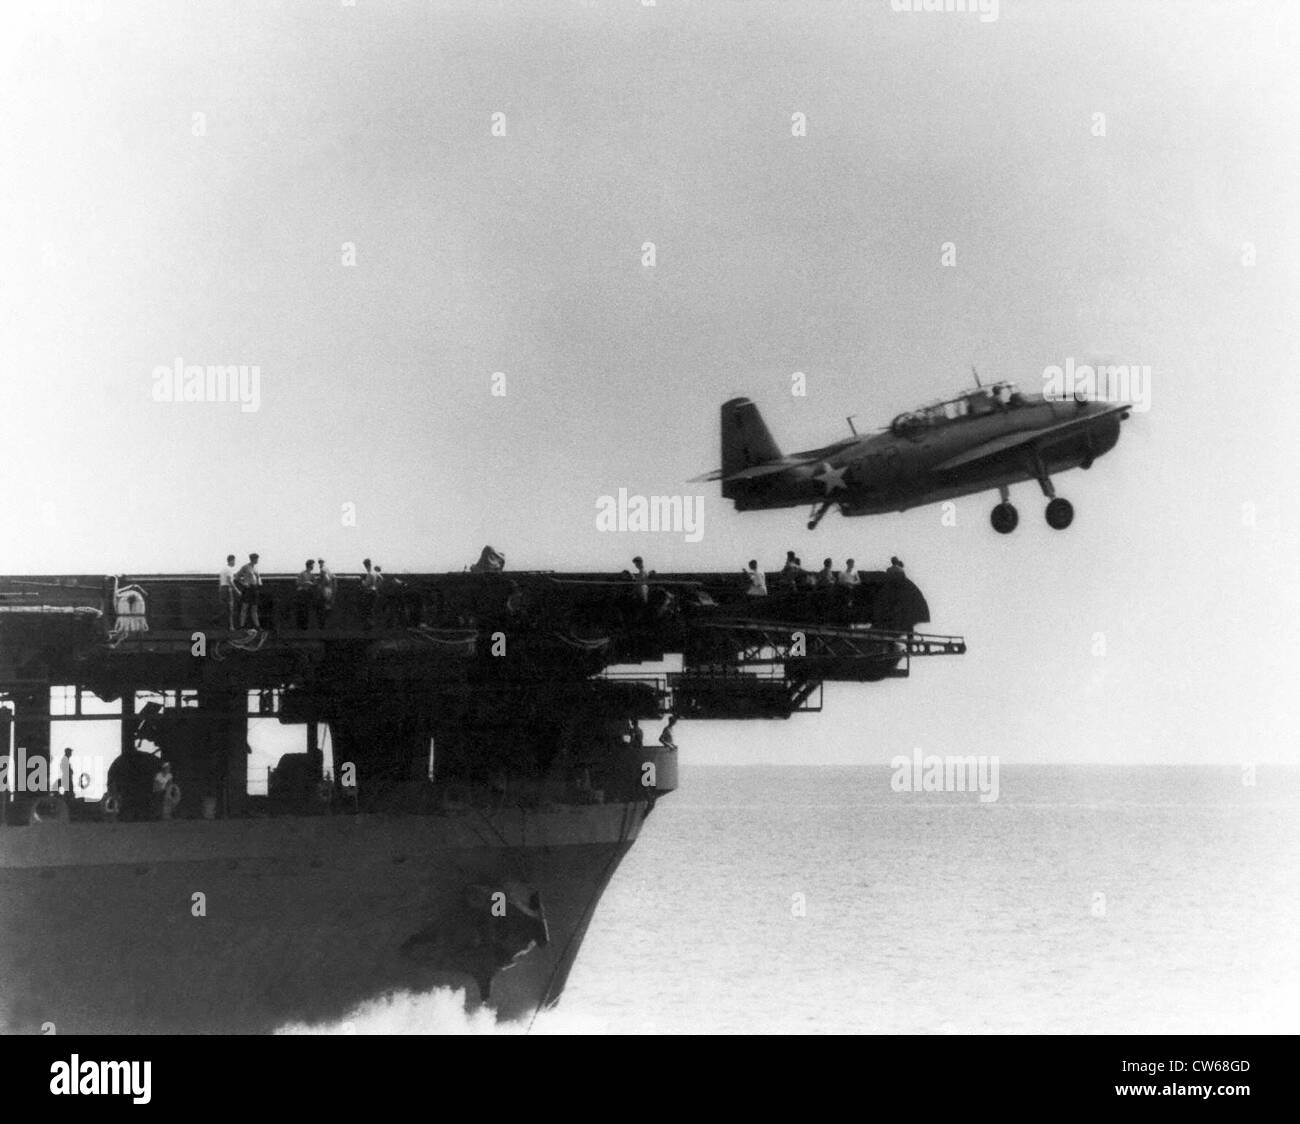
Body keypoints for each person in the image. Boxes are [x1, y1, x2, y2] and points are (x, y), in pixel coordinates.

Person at [235, 553, 262, 628]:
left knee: (254, 608)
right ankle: (242, 625)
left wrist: (259, 582)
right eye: (256, 559)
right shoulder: (245, 567)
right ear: (253, 559)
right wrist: (243, 583)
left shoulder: (255, 568)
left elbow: (258, 577)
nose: (257, 560)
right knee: (245, 607)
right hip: (248, 589)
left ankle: (257, 625)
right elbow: (237, 576)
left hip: (255, 588)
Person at [294, 560, 318, 629]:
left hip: (308, 594)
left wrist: (311, 583)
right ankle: (300, 626)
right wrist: (305, 583)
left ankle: (305, 626)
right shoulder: (302, 573)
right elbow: (297, 583)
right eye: (312, 565)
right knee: (301, 610)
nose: (313, 566)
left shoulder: (312, 575)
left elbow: (315, 583)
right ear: (309, 565)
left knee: (307, 611)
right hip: (302, 593)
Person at [218, 554, 237, 629]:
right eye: (234, 561)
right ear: (231, 560)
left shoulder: (223, 570)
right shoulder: (229, 570)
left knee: (223, 608)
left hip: (222, 589)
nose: (234, 563)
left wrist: (220, 591)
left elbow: (220, 582)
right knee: (230, 609)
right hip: (228, 590)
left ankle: (223, 625)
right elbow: (230, 581)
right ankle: (231, 626)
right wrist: (237, 591)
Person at [360, 558, 380, 627]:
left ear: (366, 565)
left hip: (370, 593)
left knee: (367, 608)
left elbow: (366, 584)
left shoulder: (369, 573)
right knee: (371, 608)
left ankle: (369, 624)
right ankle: (371, 623)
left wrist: (362, 581)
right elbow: (381, 579)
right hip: (375, 591)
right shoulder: (374, 572)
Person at [316, 560, 336, 628]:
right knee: (326, 606)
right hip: (329, 590)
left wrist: (321, 584)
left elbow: (327, 579)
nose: (319, 565)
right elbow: (332, 578)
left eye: (320, 563)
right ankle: (325, 624)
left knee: (322, 607)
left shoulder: (323, 570)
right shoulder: (327, 569)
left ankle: (322, 625)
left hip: (325, 590)